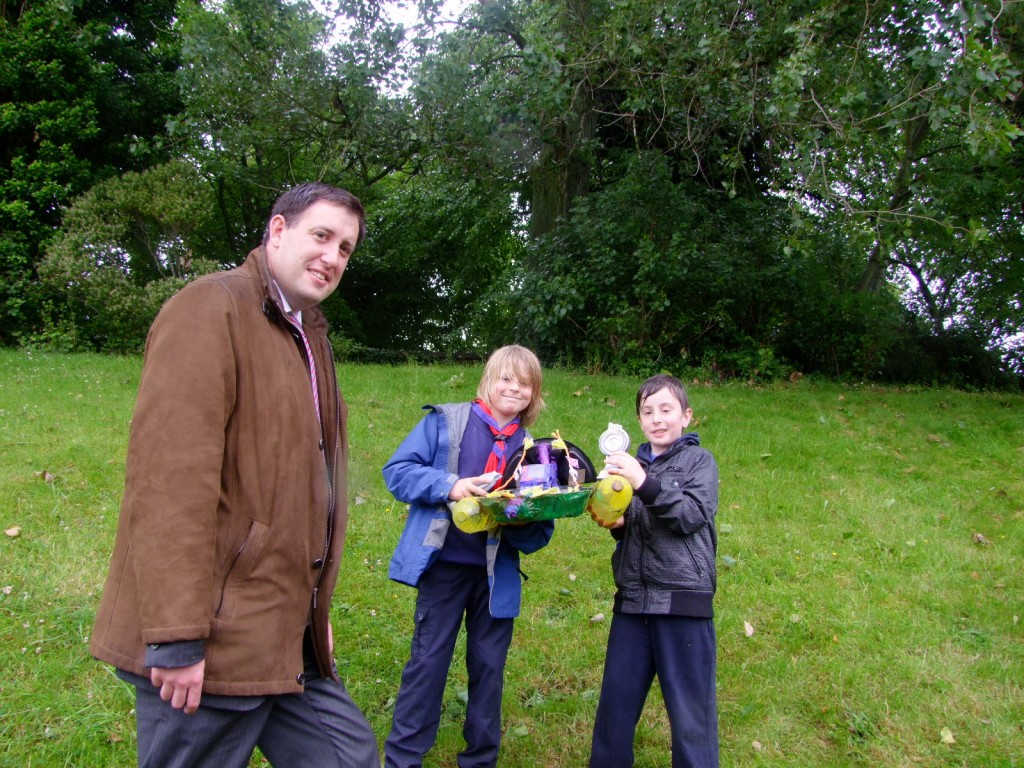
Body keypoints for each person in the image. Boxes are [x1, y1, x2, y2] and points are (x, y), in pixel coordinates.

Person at [90, 182, 380, 768]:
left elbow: (300, 492)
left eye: (346, 248)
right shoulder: (211, 307)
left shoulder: (309, 334)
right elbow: (170, 480)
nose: (333, 256)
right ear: (278, 231)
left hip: (281, 628)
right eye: (321, 235)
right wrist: (176, 636)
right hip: (211, 634)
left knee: (346, 757)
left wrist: (311, 616)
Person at [382, 345, 554, 768]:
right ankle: (404, 758)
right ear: (488, 380)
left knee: (489, 669)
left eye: (525, 383)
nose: (514, 388)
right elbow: (397, 472)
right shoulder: (446, 421)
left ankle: (479, 759)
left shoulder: (536, 449)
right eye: (506, 378)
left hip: (496, 579)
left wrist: (525, 517)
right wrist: (451, 485)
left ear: (534, 394)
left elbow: (538, 533)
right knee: (428, 663)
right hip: (444, 569)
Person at [589, 374, 720, 768]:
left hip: (682, 604)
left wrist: (643, 481)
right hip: (632, 602)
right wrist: (618, 525)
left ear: (686, 416)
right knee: (614, 712)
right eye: (648, 412)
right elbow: (639, 530)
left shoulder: (700, 461)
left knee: (690, 720)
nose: (657, 419)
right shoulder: (630, 464)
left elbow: (690, 516)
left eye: (666, 410)